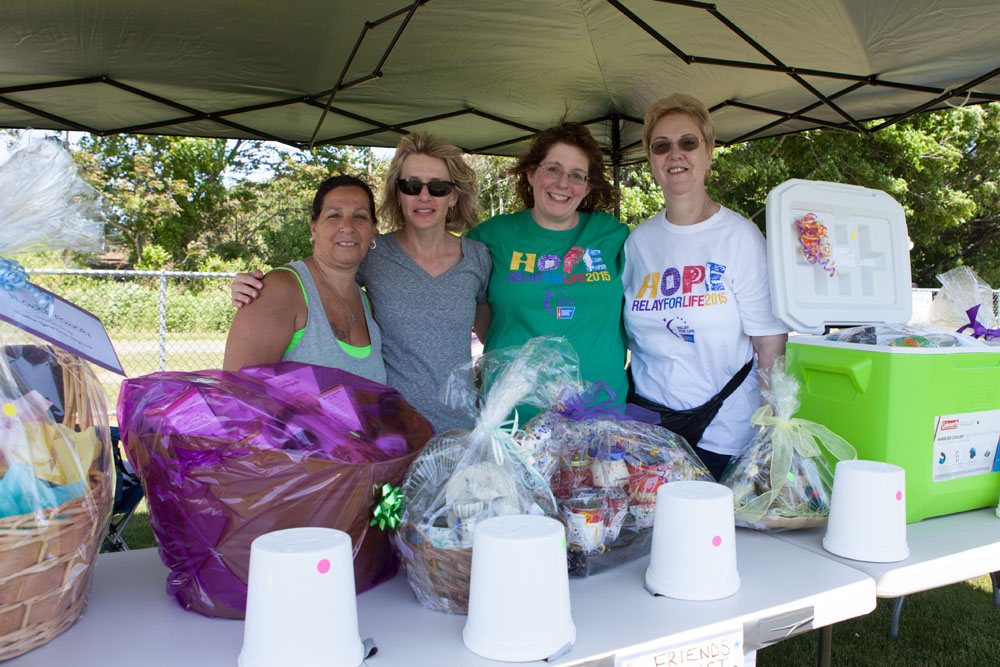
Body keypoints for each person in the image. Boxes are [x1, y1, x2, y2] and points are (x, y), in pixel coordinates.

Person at [231, 133, 492, 433]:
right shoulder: (372, 252)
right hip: (393, 434)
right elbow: (319, 269)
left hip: (462, 431)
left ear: (454, 196)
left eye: (437, 187)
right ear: (398, 193)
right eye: (411, 186)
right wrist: (249, 284)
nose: (424, 196)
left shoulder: (477, 258)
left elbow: (494, 336)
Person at [622, 93, 789, 481]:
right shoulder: (638, 243)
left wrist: (774, 434)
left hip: (723, 434)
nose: (674, 154)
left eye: (688, 143)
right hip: (648, 433)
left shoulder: (740, 237)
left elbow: (770, 343)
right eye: (661, 146)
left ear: (709, 152)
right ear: (650, 160)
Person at [467, 122, 629, 407]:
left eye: (577, 175)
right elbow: (477, 313)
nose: (563, 183)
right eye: (552, 169)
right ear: (531, 173)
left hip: (601, 418)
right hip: (512, 419)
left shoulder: (613, 235)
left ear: (588, 186)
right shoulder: (490, 237)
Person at [224, 174, 386, 383]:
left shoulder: (368, 304)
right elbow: (235, 395)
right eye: (334, 215)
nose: (347, 226)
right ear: (314, 228)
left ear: (373, 231)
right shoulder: (280, 290)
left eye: (360, 216)